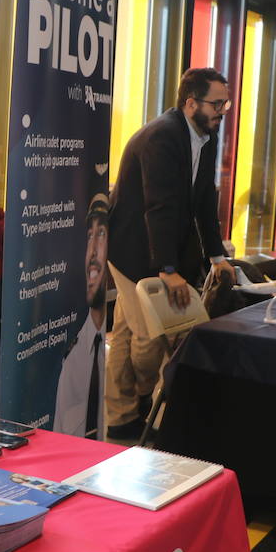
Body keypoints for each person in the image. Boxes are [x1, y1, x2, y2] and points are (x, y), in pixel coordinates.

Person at [105, 68, 235, 439]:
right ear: (190, 102)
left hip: (159, 246)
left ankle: (121, 417)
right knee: (149, 336)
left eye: (225, 103)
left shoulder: (205, 136)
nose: (222, 111)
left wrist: (216, 256)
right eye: (216, 103)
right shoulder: (162, 137)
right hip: (131, 247)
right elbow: (158, 206)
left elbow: (205, 202)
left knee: (128, 330)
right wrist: (167, 268)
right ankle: (142, 397)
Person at [52, 194, 109, 438]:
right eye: (89, 236)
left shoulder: (101, 357)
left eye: (102, 234)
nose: (93, 251)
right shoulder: (71, 361)